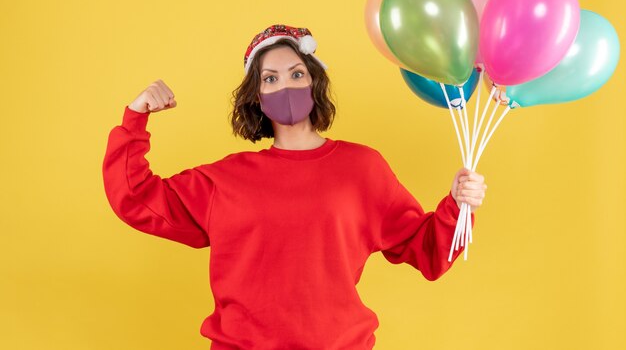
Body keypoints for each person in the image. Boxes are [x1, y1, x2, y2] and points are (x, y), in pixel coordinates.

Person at [102, 24, 487, 349]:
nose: (285, 85)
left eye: (296, 73)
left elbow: (429, 251)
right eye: (270, 78)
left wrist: (457, 205)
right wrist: (135, 118)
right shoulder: (224, 180)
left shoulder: (362, 168)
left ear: (315, 81)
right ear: (256, 95)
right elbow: (136, 198)